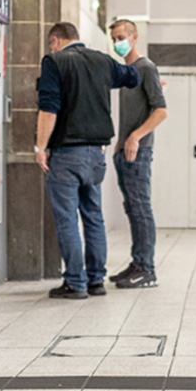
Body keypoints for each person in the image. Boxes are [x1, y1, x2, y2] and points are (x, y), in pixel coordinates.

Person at [35, 22, 140, 299]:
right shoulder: (102, 61)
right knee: (93, 217)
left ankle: (75, 282)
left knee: (67, 219)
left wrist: (40, 147)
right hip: (97, 154)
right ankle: (95, 281)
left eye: (51, 44)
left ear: (55, 40)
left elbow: (48, 110)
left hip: (67, 154)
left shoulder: (54, 62)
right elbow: (133, 77)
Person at [107, 19, 169, 289]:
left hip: (139, 151)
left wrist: (134, 137)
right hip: (125, 151)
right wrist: (121, 140)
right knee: (132, 208)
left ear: (134, 37)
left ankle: (146, 269)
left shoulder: (146, 68)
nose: (117, 42)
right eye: (113, 38)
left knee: (140, 207)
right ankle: (137, 263)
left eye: (120, 36)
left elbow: (161, 110)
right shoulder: (126, 71)